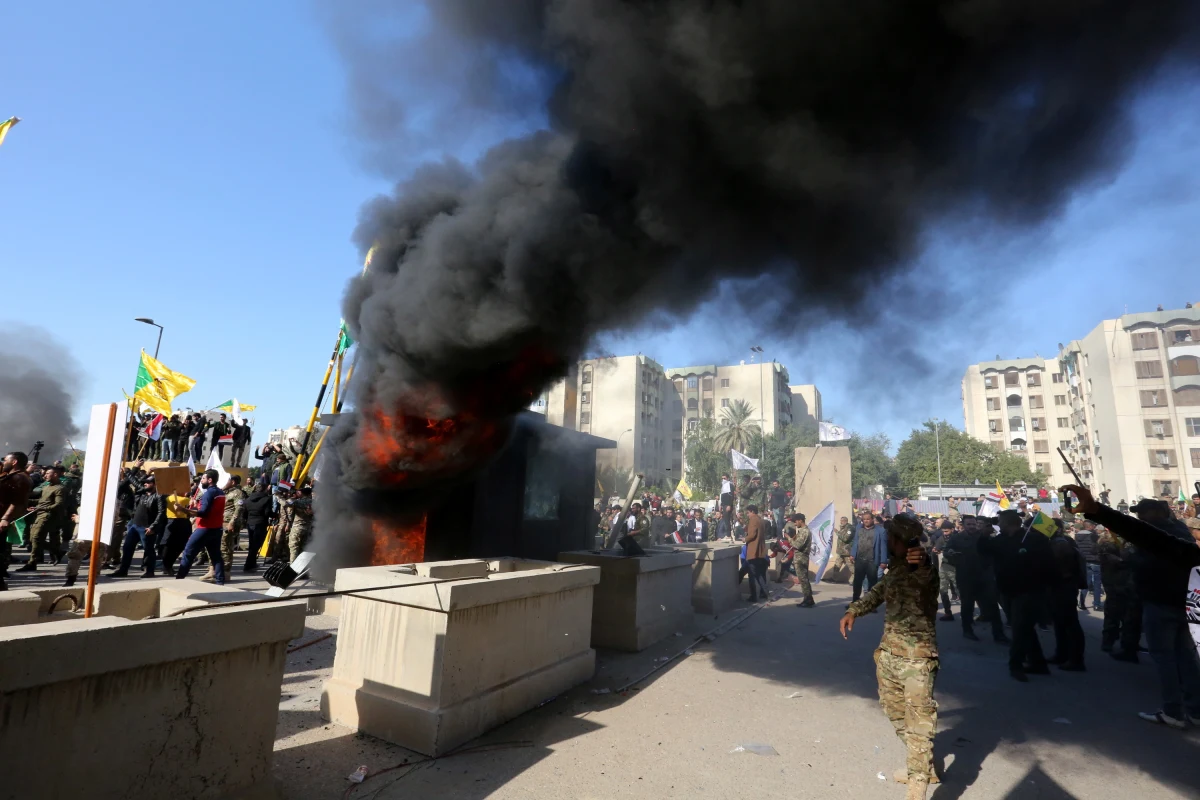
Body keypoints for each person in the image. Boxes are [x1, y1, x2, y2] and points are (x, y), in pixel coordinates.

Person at [1064, 485, 1200, 727]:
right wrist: (1097, 510)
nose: (1138, 516)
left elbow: (1146, 541)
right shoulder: (1180, 530)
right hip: (1184, 602)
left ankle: (1174, 711)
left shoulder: (1162, 535)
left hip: (1161, 601)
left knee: (1166, 657)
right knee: (1186, 657)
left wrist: (1098, 512)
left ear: (1151, 515)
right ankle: (1195, 710)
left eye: (1141, 513)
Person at [840, 515, 940, 798]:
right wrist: (853, 611)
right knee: (894, 711)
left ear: (899, 540)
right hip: (889, 653)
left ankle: (917, 786)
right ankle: (923, 763)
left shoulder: (922, 566)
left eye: (891, 538)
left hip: (917, 659)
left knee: (919, 721)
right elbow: (877, 592)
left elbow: (923, 572)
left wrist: (921, 560)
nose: (888, 542)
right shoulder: (895, 570)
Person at [980, 510, 1055, 682]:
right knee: (1024, 627)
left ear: (1007, 523)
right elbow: (985, 551)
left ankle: (1016, 664)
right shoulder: (1001, 540)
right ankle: (1038, 662)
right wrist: (984, 536)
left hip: (1029, 589)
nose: (998, 524)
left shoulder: (1033, 539)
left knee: (1020, 627)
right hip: (1008, 589)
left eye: (1000, 521)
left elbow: (1048, 564)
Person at [945, 517, 1007, 643]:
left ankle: (998, 634)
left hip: (985, 576)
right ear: (964, 525)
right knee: (967, 605)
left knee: (992, 605)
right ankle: (967, 629)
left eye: (974, 524)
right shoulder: (957, 538)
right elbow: (946, 551)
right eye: (969, 524)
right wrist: (950, 552)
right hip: (966, 576)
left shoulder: (984, 537)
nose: (972, 526)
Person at [1047, 519, 1087, 671]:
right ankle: (1062, 653)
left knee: (1070, 623)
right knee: (1059, 623)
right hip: (1060, 586)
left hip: (1064, 586)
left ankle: (1076, 659)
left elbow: (1062, 564)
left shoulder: (1061, 543)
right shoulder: (1061, 541)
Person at [176, 469, 227, 584]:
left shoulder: (209, 493)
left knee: (188, 553)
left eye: (203, 479)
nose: (201, 481)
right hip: (216, 528)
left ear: (210, 480)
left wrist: (183, 509)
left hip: (205, 528)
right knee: (216, 556)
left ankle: (179, 579)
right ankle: (220, 581)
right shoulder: (220, 492)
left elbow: (204, 513)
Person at [110, 474, 165, 577]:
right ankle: (123, 570)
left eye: (148, 482)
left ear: (154, 484)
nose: (145, 484)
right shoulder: (142, 492)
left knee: (148, 550)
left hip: (147, 527)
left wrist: (153, 527)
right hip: (135, 525)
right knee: (127, 547)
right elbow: (135, 482)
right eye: (145, 482)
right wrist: (130, 472)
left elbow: (161, 513)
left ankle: (149, 571)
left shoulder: (159, 496)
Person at [16, 465, 67, 571]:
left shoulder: (60, 488)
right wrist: (28, 501)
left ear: (55, 474)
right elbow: (41, 501)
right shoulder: (47, 487)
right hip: (40, 514)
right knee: (32, 538)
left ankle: (32, 562)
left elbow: (59, 504)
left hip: (48, 516)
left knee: (36, 538)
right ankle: (57, 551)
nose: (45, 475)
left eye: (48, 473)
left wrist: (42, 508)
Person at [0, 452, 34, 590]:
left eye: (6, 460)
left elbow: (17, 502)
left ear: (14, 462)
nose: (3, 462)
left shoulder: (20, 478)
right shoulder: (11, 476)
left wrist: (5, 518)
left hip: (2, 519)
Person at [849, 509, 888, 606]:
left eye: (868, 519)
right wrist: (852, 554)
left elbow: (883, 546)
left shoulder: (880, 531)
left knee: (872, 583)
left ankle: (871, 604)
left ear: (872, 519)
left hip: (872, 561)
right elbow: (855, 543)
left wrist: (883, 561)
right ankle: (855, 601)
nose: (866, 521)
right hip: (860, 560)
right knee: (857, 581)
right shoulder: (859, 529)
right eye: (864, 519)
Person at [159, 489, 193, 574]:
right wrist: (192, 499)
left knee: (169, 545)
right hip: (180, 522)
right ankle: (168, 566)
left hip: (171, 522)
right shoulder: (183, 499)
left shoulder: (168, 498)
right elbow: (191, 502)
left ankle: (167, 566)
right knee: (179, 545)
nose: (186, 492)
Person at [219, 475, 247, 575]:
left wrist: (232, 522)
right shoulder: (226, 492)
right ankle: (222, 569)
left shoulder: (238, 493)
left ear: (233, 482)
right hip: (223, 522)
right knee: (223, 546)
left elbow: (239, 508)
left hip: (229, 523)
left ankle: (225, 570)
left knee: (225, 546)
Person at [241, 482, 273, 571]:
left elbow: (244, 513)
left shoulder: (248, 499)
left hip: (250, 522)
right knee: (256, 545)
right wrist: (275, 515)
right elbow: (267, 513)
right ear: (265, 489)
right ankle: (248, 565)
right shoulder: (267, 499)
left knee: (252, 545)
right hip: (260, 523)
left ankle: (252, 563)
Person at [932, 519, 958, 622]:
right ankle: (948, 613)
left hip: (956, 568)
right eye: (943, 531)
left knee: (959, 591)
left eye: (946, 531)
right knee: (943, 591)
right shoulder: (941, 538)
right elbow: (936, 549)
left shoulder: (958, 538)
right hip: (944, 567)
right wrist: (936, 550)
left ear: (952, 529)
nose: (944, 533)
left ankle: (967, 615)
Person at [1074, 520, 1103, 611]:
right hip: (1095, 561)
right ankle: (1097, 604)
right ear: (1089, 527)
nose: (1094, 527)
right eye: (1093, 526)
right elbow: (1098, 547)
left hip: (1084, 561)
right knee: (1097, 584)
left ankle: (1081, 603)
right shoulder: (1093, 536)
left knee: (1086, 583)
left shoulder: (1077, 536)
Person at [744, 505, 769, 603]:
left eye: (748, 512)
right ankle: (764, 592)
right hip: (760, 551)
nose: (747, 514)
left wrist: (744, 539)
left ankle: (754, 596)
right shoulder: (761, 520)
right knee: (760, 573)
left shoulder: (753, 520)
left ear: (751, 511)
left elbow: (752, 535)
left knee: (753, 575)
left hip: (753, 551)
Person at [788, 513, 814, 607]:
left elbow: (797, 545)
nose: (795, 524)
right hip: (800, 557)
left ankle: (808, 600)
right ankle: (808, 599)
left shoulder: (804, 531)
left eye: (795, 521)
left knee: (803, 580)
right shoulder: (802, 531)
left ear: (800, 520)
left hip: (801, 558)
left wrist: (790, 539)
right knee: (804, 579)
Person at [287, 485, 314, 563]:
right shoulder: (315, 503)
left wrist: (279, 496)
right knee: (304, 550)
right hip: (308, 528)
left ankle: (293, 570)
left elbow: (286, 503)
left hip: (297, 528)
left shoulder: (297, 502)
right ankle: (303, 571)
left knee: (294, 548)